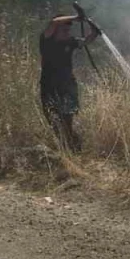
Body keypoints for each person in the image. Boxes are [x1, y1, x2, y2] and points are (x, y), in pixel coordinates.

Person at [39, 8, 101, 151]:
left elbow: (86, 41)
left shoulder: (70, 42)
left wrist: (94, 31)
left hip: (68, 86)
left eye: (68, 29)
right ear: (55, 31)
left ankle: (73, 148)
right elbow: (54, 22)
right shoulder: (46, 41)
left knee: (67, 120)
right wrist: (76, 17)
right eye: (64, 29)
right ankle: (66, 148)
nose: (67, 32)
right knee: (53, 119)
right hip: (49, 87)